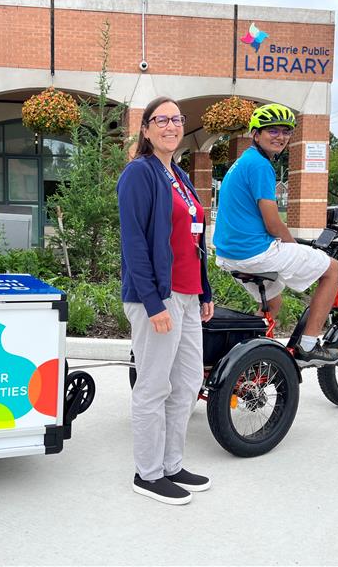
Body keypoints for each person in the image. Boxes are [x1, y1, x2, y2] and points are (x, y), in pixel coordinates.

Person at [117, 96, 215, 506]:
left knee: (188, 381)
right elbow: (134, 244)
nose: (171, 126)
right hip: (156, 297)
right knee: (154, 386)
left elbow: (195, 239)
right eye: (162, 120)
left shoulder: (178, 174)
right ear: (146, 129)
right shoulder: (139, 174)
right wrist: (154, 303)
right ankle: (148, 473)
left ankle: (172, 464)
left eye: (177, 119)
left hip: (188, 295)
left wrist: (205, 290)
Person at [212, 103, 338, 363]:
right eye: (272, 130)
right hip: (254, 252)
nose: (280, 137)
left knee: (273, 303)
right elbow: (272, 222)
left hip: (230, 254)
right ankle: (308, 345)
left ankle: (254, 358)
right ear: (256, 134)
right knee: (333, 269)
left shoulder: (242, 162)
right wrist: (294, 246)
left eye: (285, 131)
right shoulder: (260, 166)